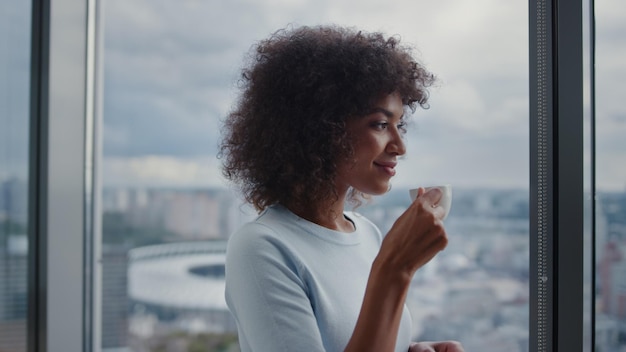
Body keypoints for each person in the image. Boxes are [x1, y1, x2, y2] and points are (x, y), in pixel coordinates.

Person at [219, 24, 464, 352]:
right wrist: (395, 268)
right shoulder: (261, 248)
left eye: (399, 125)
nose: (400, 146)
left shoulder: (367, 234)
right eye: (380, 124)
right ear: (321, 129)